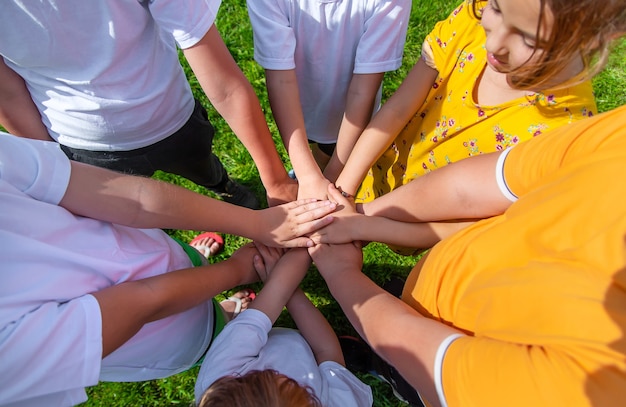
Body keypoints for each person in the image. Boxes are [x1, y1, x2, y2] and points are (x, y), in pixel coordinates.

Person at [309, 104, 626, 407]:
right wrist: (362, 221)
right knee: (396, 309)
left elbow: (428, 359)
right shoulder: (619, 141)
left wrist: (342, 275)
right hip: (436, 280)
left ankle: (390, 370)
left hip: (429, 366)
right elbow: (475, 187)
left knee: (407, 376)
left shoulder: (598, 381)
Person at [0, 133, 337, 407]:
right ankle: (225, 311)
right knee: (213, 333)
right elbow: (144, 303)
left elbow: (132, 200)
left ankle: (209, 277)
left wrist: (254, 230)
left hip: (145, 253)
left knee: (193, 276)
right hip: (165, 334)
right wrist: (238, 267)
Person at [0, 0, 299, 210]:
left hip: (173, 123)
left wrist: (275, 180)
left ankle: (223, 187)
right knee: (135, 220)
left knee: (204, 168)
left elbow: (226, 85)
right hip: (84, 148)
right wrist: (56, 166)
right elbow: (7, 95)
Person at [334, 0, 624, 204]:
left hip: (432, 224)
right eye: (496, 8)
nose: (494, 44)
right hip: (388, 170)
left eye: (529, 39)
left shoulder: (561, 131)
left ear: (594, 38)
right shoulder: (470, 20)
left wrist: (365, 224)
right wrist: (344, 191)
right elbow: (398, 108)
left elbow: (469, 221)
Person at [246, 0, 411, 200]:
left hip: (349, 121)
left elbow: (363, 91)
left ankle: (318, 167)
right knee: (313, 149)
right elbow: (281, 81)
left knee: (328, 151)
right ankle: (309, 168)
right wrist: (308, 175)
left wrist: (332, 177)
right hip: (296, 111)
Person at [195, 243, 373, 407]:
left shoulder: (218, 376)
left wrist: (300, 250)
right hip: (318, 350)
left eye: (264, 375)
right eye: (300, 388)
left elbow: (274, 295)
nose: (281, 372)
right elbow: (326, 350)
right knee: (334, 358)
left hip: (280, 340)